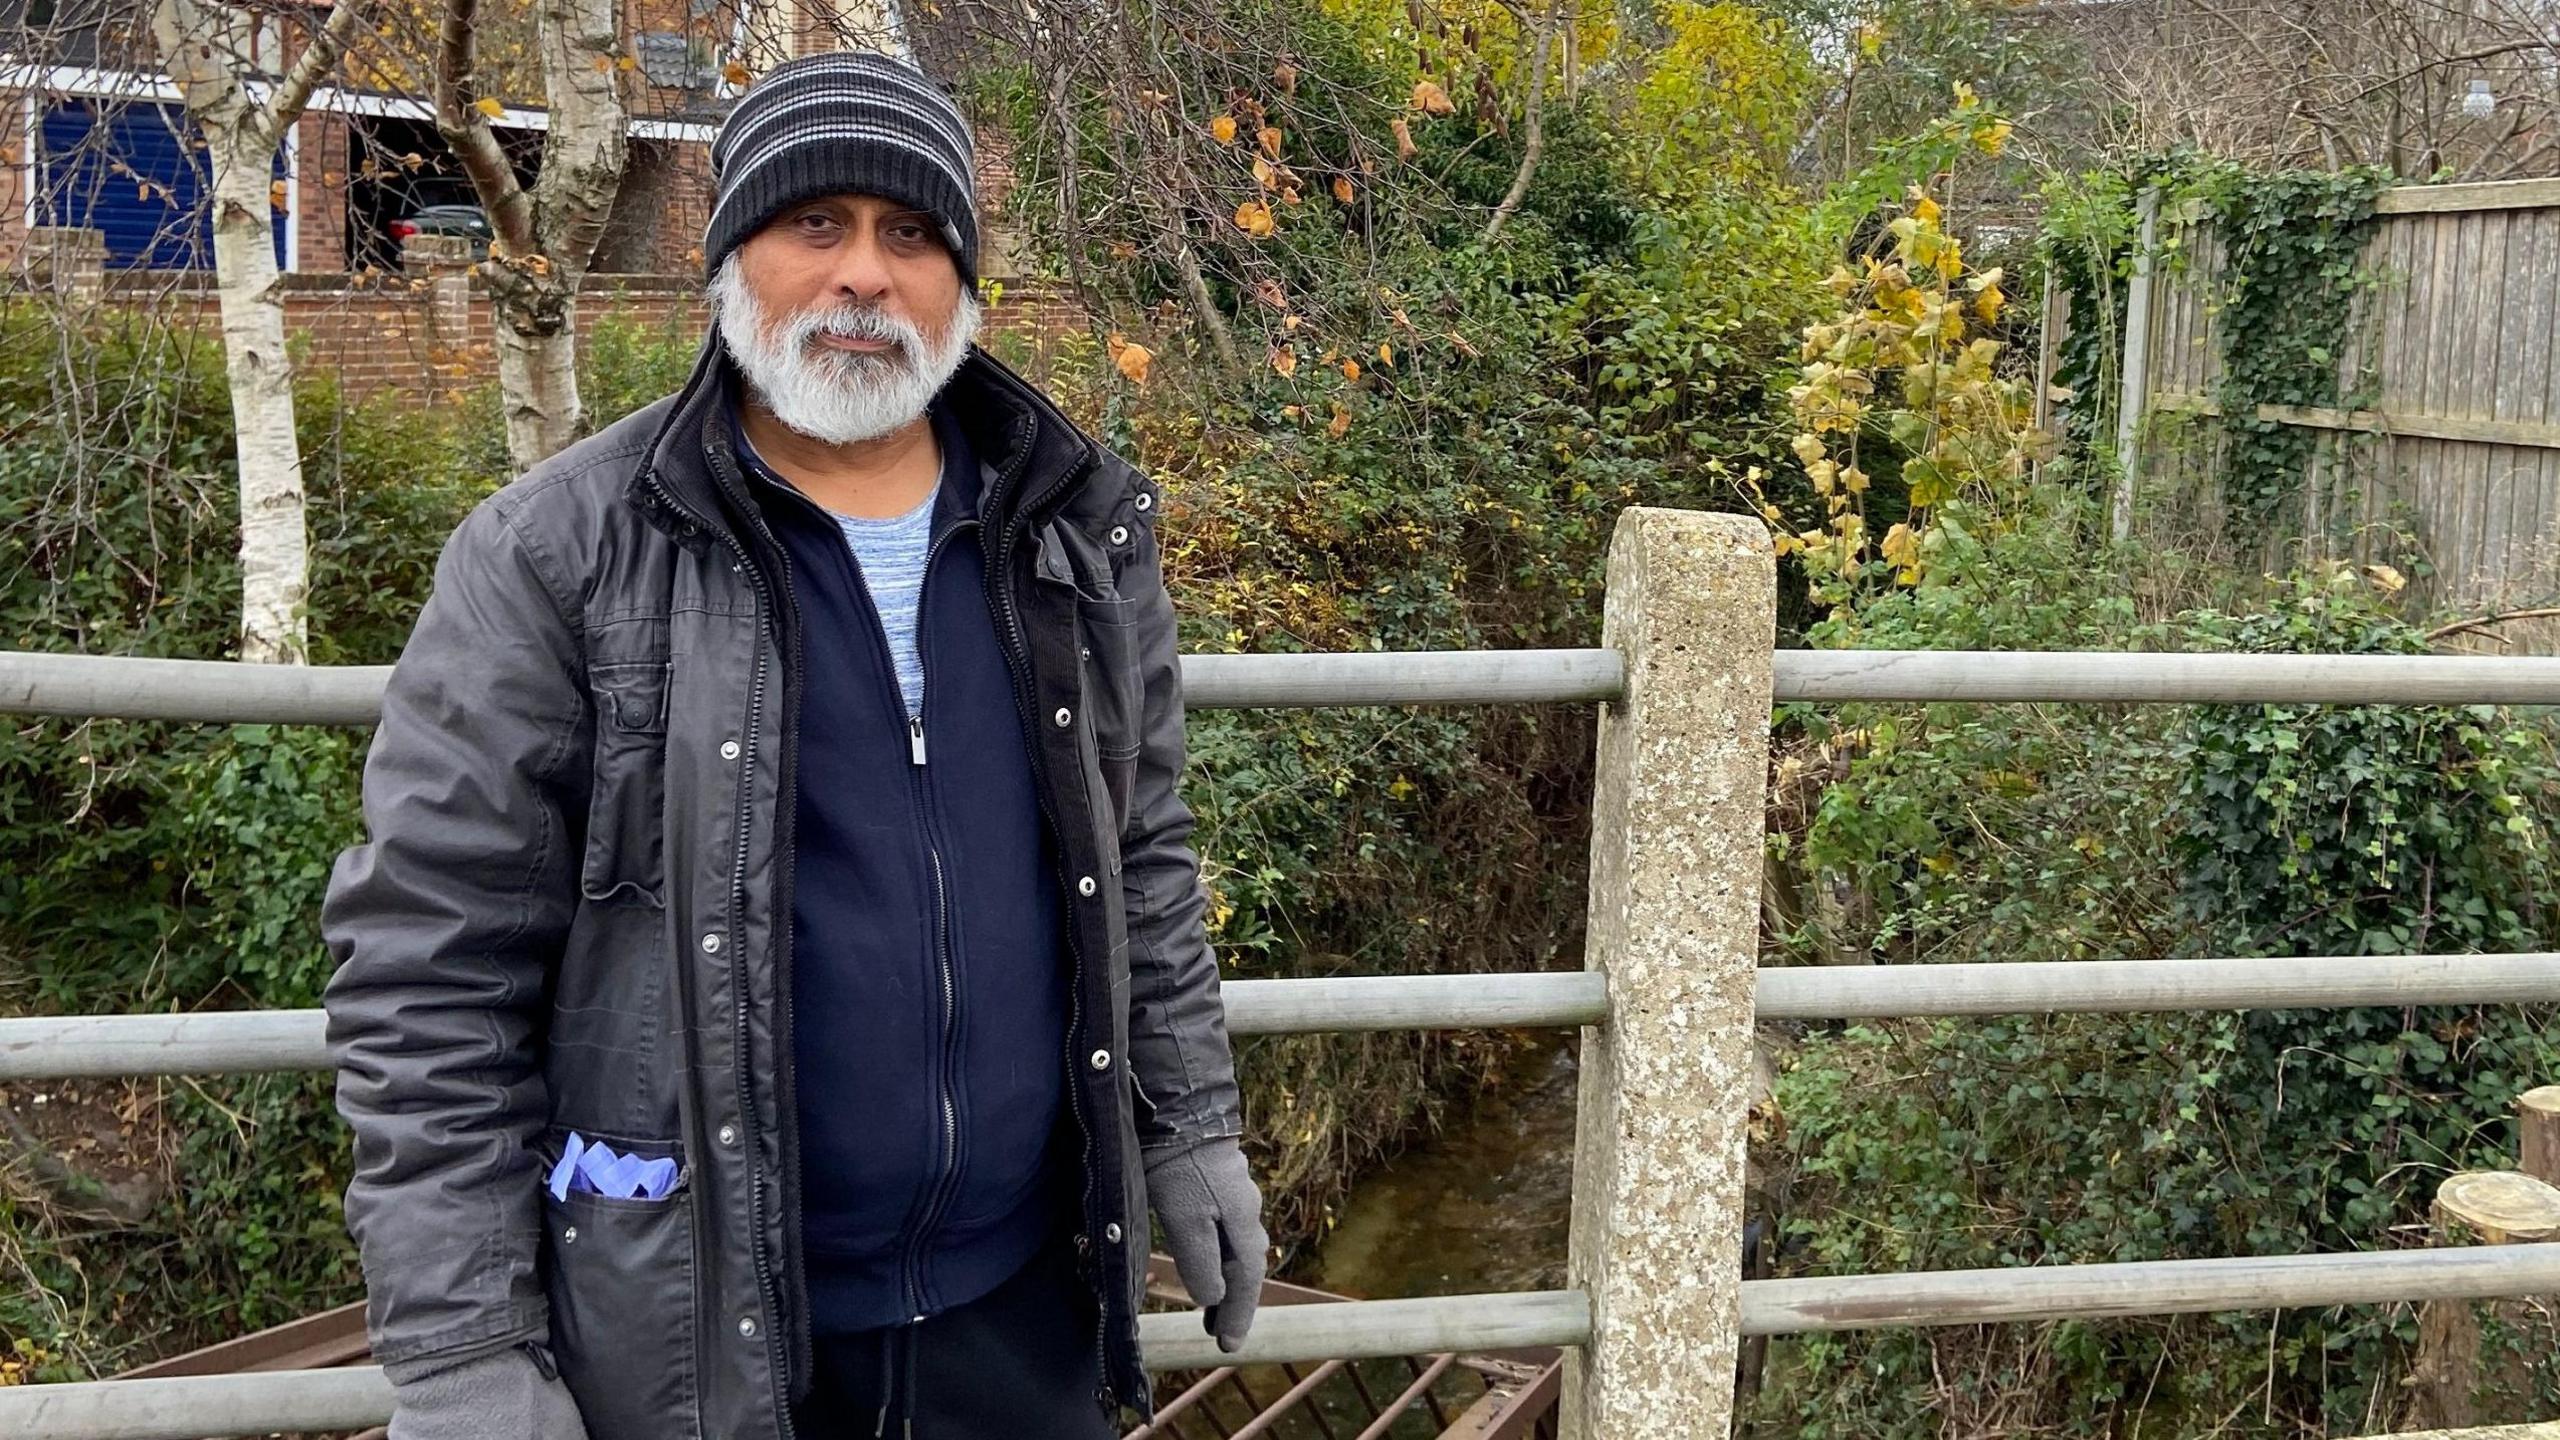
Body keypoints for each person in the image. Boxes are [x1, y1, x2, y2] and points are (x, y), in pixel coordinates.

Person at [319, 50, 1268, 1440]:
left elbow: (1143, 859)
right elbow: (429, 970)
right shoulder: (559, 556)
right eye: (814, 225)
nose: (865, 276)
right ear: (730, 261)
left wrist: (1188, 1128)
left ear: (964, 282)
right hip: (701, 1341)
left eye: (912, 234)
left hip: (1023, 1316)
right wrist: (464, 1346)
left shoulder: (1074, 534)